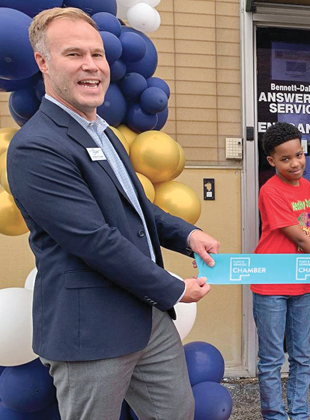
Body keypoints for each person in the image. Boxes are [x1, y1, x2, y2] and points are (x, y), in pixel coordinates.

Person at [6, 8, 220, 420]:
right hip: (91, 333)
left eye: (97, 54)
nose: (91, 66)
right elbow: (93, 240)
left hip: (147, 319)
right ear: (42, 63)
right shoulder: (37, 147)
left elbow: (136, 208)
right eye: (73, 54)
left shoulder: (103, 132)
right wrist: (173, 289)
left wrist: (186, 234)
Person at [253, 122, 310, 420]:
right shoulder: (269, 190)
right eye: (285, 159)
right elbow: (297, 236)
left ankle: (299, 414)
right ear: (271, 161)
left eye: (299, 155)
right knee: (271, 359)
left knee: (302, 356)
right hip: (271, 285)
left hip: (302, 284)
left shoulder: (308, 187)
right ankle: (274, 416)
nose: (295, 163)